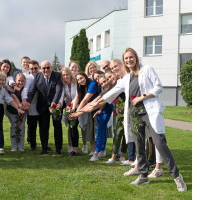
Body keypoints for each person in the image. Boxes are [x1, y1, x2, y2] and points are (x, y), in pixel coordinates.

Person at [80, 48, 187, 192]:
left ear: (135, 58)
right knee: (140, 144)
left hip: (150, 112)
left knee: (160, 143)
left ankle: (177, 177)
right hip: (135, 115)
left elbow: (158, 87)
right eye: (126, 59)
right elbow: (110, 93)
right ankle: (143, 176)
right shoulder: (126, 78)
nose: (129, 60)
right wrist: (91, 106)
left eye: (131, 57)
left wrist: (142, 97)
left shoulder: (147, 69)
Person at [27, 60, 63, 155]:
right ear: (40, 69)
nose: (46, 70)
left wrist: (54, 104)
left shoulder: (57, 75)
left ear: (51, 67)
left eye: (48, 67)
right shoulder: (38, 76)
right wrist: (27, 103)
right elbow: (31, 91)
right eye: (44, 68)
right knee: (43, 128)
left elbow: (58, 90)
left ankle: (59, 149)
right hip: (42, 106)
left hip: (55, 106)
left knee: (57, 127)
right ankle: (44, 149)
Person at [69, 72, 100, 157]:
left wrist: (77, 113)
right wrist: (73, 110)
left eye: (81, 78)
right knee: (90, 129)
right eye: (78, 80)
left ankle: (100, 150)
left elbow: (84, 100)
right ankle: (93, 150)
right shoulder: (81, 86)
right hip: (89, 108)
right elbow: (78, 97)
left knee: (97, 130)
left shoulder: (92, 84)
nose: (80, 81)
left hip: (97, 107)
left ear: (85, 77)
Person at [104, 69, 127, 164]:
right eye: (107, 78)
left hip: (126, 110)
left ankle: (122, 156)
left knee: (125, 135)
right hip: (119, 111)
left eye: (110, 76)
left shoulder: (122, 82)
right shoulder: (113, 86)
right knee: (118, 134)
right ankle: (113, 157)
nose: (110, 79)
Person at [6, 73, 28, 151]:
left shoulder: (26, 89)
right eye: (19, 81)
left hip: (24, 111)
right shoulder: (11, 88)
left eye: (22, 81)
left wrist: (23, 111)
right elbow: (14, 97)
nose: (20, 82)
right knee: (14, 126)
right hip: (12, 110)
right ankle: (14, 146)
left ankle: (21, 146)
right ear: (15, 81)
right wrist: (19, 106)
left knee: (21, 126)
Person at [60, 67, 79, 155]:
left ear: (70, 74)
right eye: (63, 75)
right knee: (71, 127)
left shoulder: (76, 82)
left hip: (78, 106)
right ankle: (73, 147)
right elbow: (62, 95)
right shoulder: (64, 84)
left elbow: (78, 96)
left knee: (75, 126)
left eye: (67, 74)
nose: (65, 76)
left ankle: (76, 148)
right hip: (69, 107)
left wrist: (72, 105)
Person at [25, 60, 40, 151]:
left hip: (42, 104)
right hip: (32, 104)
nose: (34, 70)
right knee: (32, 126)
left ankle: (44, 144)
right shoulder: (28, 78)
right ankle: (33, 145)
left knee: (43, 126)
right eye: (32, 69)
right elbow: (26, 90)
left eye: (35, 68)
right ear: (29, 69)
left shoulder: (43, 76)